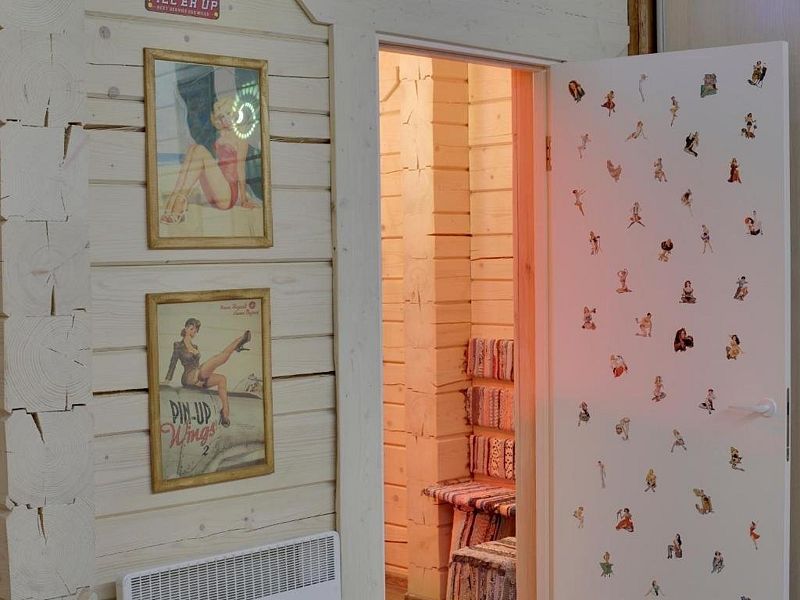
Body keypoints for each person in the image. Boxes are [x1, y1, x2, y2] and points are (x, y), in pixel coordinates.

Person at [160, 95, 261, 224]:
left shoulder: (241, 139)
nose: (225, 119)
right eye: (221, 116)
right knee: (193, 149)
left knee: (199, 150)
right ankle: (175, 198)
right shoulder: (220, 136)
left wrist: (244, 200)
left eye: (228, 114)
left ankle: (177, 203)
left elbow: (240, 169)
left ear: (235, 114)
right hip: (215, 190)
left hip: (227, 194)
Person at [164, 318, 252, 427]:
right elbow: (173, 363)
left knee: (222, 379)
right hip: (189, 377)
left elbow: (198, 365)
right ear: (185, 328)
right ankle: (238, 342)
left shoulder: (195, 347)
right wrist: (167, 380)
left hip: (199, 377)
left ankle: (225, 412)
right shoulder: (178, 345)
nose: (193, 332)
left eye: (195, 330)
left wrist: (201, 377)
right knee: (216, 359)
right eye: (191, 329)